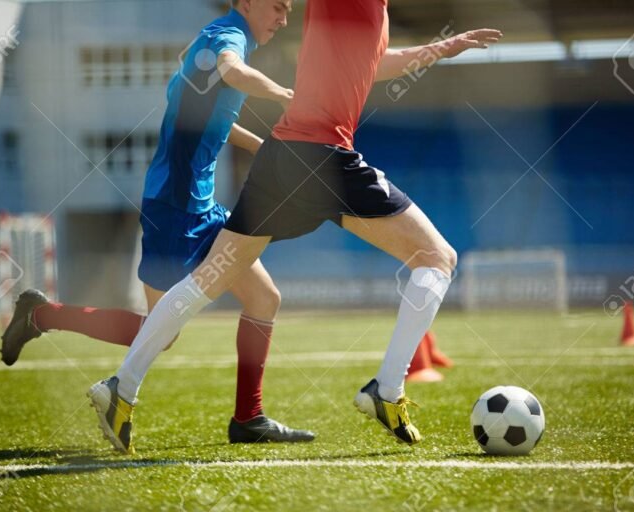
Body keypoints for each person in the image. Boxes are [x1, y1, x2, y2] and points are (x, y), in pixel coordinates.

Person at [88, 0, 502, 453]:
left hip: (282, 159)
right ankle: (386, 391)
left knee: (208, 280)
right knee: (438, 258)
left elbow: (373, 65)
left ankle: (121, 389)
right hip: (325, 161)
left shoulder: (374, 13)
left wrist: (441, 49)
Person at [2, 0, 315, 450]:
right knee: (159, 332)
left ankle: (249, 418)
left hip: (202, 208)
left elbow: (215, 121)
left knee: (264, 298)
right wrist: (289, 96)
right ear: (246, 3)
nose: (285, 19)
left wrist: (263, 147)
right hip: (174, 206)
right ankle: (42, 315)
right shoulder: (226, 41)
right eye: (277, 7)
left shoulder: (217, 39)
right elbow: (232, 72)